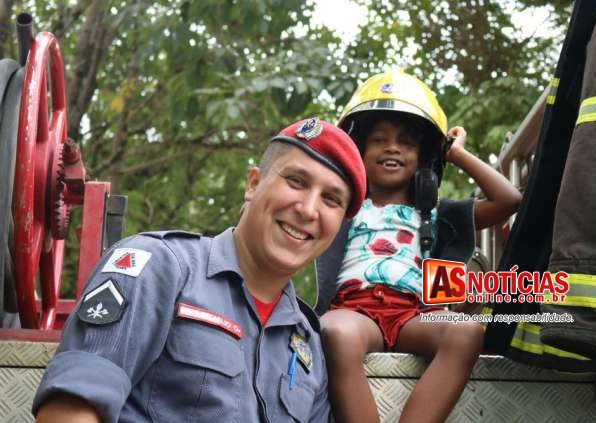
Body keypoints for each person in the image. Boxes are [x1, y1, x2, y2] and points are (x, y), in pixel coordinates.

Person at [32, 117, 367, 423]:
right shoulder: (157, 267)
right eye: (296, 181)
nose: (308, 209)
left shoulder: (308, 345)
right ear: (253, 184)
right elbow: (69, 411)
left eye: (331, 200)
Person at [316, 70, 522, 423]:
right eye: (378, 140)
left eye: (407, 143)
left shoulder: (437, 215)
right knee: (334, 332)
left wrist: (455, 154)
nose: (392, 147)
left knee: (466, 332)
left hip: (414, 314)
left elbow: (509, 200)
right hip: (354, 309)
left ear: (424, 157)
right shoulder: (344, 206)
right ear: (357, 151)